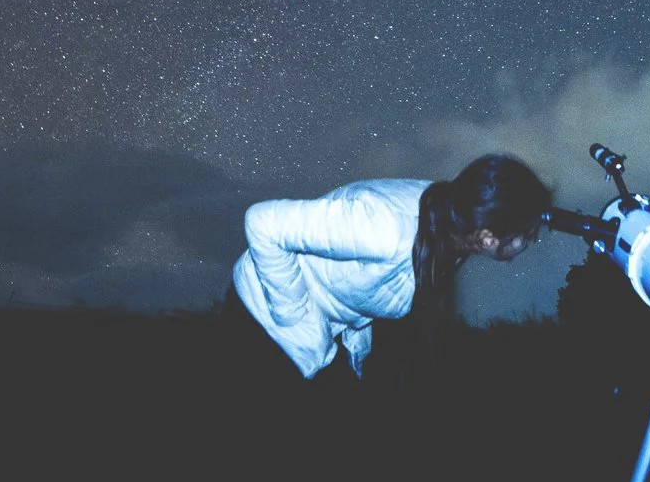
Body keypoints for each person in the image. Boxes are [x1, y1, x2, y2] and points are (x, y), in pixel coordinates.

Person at [225, 155, 552, 386]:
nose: (531, 242)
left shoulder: (449, 225)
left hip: (319, 330)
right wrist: (300, 324)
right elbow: (262, 223)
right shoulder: (383, 228)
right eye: (528, 235)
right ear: (488, 238)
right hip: (263, 318)